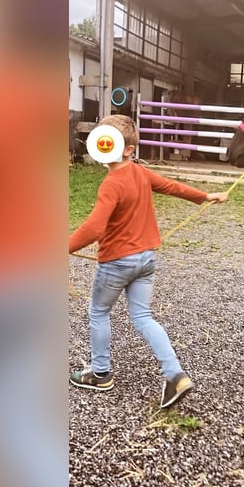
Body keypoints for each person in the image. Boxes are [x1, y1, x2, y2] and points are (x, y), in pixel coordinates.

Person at [69, 115, 227, 408]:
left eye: (109, 140)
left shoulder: (111, 184)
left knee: (98, 312)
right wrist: (206, 196)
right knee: (142, 317)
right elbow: (172, 186)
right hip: (146, 260)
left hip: (117, 264)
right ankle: (175, 375)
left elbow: (94, 227)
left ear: (128, 149)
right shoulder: (141, 173)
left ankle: (100, 373)